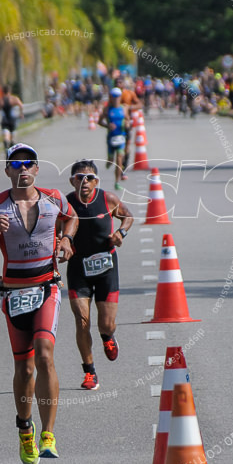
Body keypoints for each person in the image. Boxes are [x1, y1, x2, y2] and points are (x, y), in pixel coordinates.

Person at [0, 143, 78, 464]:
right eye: (16, 164)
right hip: (15, 292)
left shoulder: (54, 199)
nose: (23, 169)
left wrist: (67, 239)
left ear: (37, 168)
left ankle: (48, 434)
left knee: (45, 355)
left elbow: (71, 219)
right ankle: (24, 429)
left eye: (29, 163)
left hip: (47, 287)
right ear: (7, 171)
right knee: (24, 367)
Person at [65, 160, 133, 390]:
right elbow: (54, 231)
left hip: (106, 268)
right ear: (71, 180)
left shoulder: (108, 199)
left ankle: (107, 337)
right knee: (82, 321)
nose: (84, 182)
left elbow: (128, 216)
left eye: (90, 178)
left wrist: (120, 232)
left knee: (106, 323)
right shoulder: (65, 204)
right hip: (78, 268)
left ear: (96, 181)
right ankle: (90, 372)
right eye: (79, 177)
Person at [98, 88, 131, 191]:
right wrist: (108, 125)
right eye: (113, 96)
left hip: (121, 137)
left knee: (119, 159)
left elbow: (128, 120)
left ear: (120, 97)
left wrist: (127, 124)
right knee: (111, 160)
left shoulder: (123, 108)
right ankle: (108, 162)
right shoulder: (107, 109)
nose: (116, 98)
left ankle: (117, 182)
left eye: (117, 96)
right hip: (111, 138)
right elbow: (99, 121)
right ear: (111, 97)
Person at [0, 84, 24, 149]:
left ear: (3, 91)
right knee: (12, 134)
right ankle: (12, 142)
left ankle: (6, 141)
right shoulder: (14, 99)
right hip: (12, 119)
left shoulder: (1, 100)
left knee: (6, 132)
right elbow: (21, 105)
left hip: (4, 120)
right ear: (9, 91)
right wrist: (21, 113)